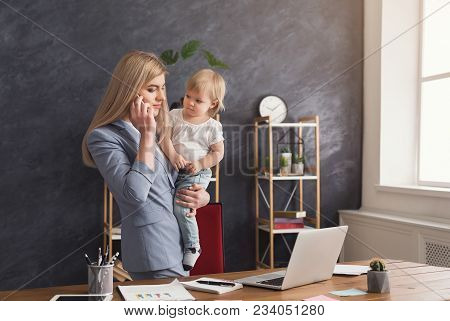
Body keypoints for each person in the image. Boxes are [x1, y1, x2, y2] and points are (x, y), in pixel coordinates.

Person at [81, 51, 210, 280]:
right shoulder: (104, 137)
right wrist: (147, 135)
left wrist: (202, 197)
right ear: (128, 89)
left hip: (178, 245)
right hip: (153, 249)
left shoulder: (161, 129)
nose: (161, 97)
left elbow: (173, 183)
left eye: (162, 87)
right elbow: (134, 194)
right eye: (152, 89)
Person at [160, 69, 226, 271]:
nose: (190, 103)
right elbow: (165, 140)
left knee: (182, 205)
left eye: (198, 100)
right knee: (169, 207)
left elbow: (218, 154)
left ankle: (193, 246)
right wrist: (173, 156)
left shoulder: (212, 127)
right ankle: (175, 246)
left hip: (196, 173)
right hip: (174, 170)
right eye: (188, 96)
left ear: (212, 104)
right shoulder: (174, 115)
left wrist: (199, 163)